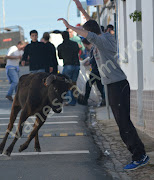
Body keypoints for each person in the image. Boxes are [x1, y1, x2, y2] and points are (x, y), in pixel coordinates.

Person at [57, 0, 149, 170]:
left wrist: (70, 26)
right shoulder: (101, 38)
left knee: (124, 124)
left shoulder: (103, 41)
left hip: (118, 85)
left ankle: (140, 155)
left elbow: (90, 33)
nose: (85, 36)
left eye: (86, 33)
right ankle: (139, 154)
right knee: (122, 123)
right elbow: (93, 27)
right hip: (115, 86)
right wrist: (81, 9)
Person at [79, 38, 105, 106]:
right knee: (99, 86)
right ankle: (104, 99)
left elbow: (94, 59)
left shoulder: (93, 49)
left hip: (96, 70)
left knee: (89, 84)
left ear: (85, 44)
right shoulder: (93, 48)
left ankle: (85, 100)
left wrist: (89, 62)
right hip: (97, 70)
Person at [57, 31, 80, 106]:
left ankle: (69, 100)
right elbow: (78, 51)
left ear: (62, 37)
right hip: (77, 65)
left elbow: (60, 57)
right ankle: (74, 101)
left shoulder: (60, 46)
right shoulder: (75, 44)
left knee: (66, 84)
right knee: (73, 83)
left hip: (68, 65)